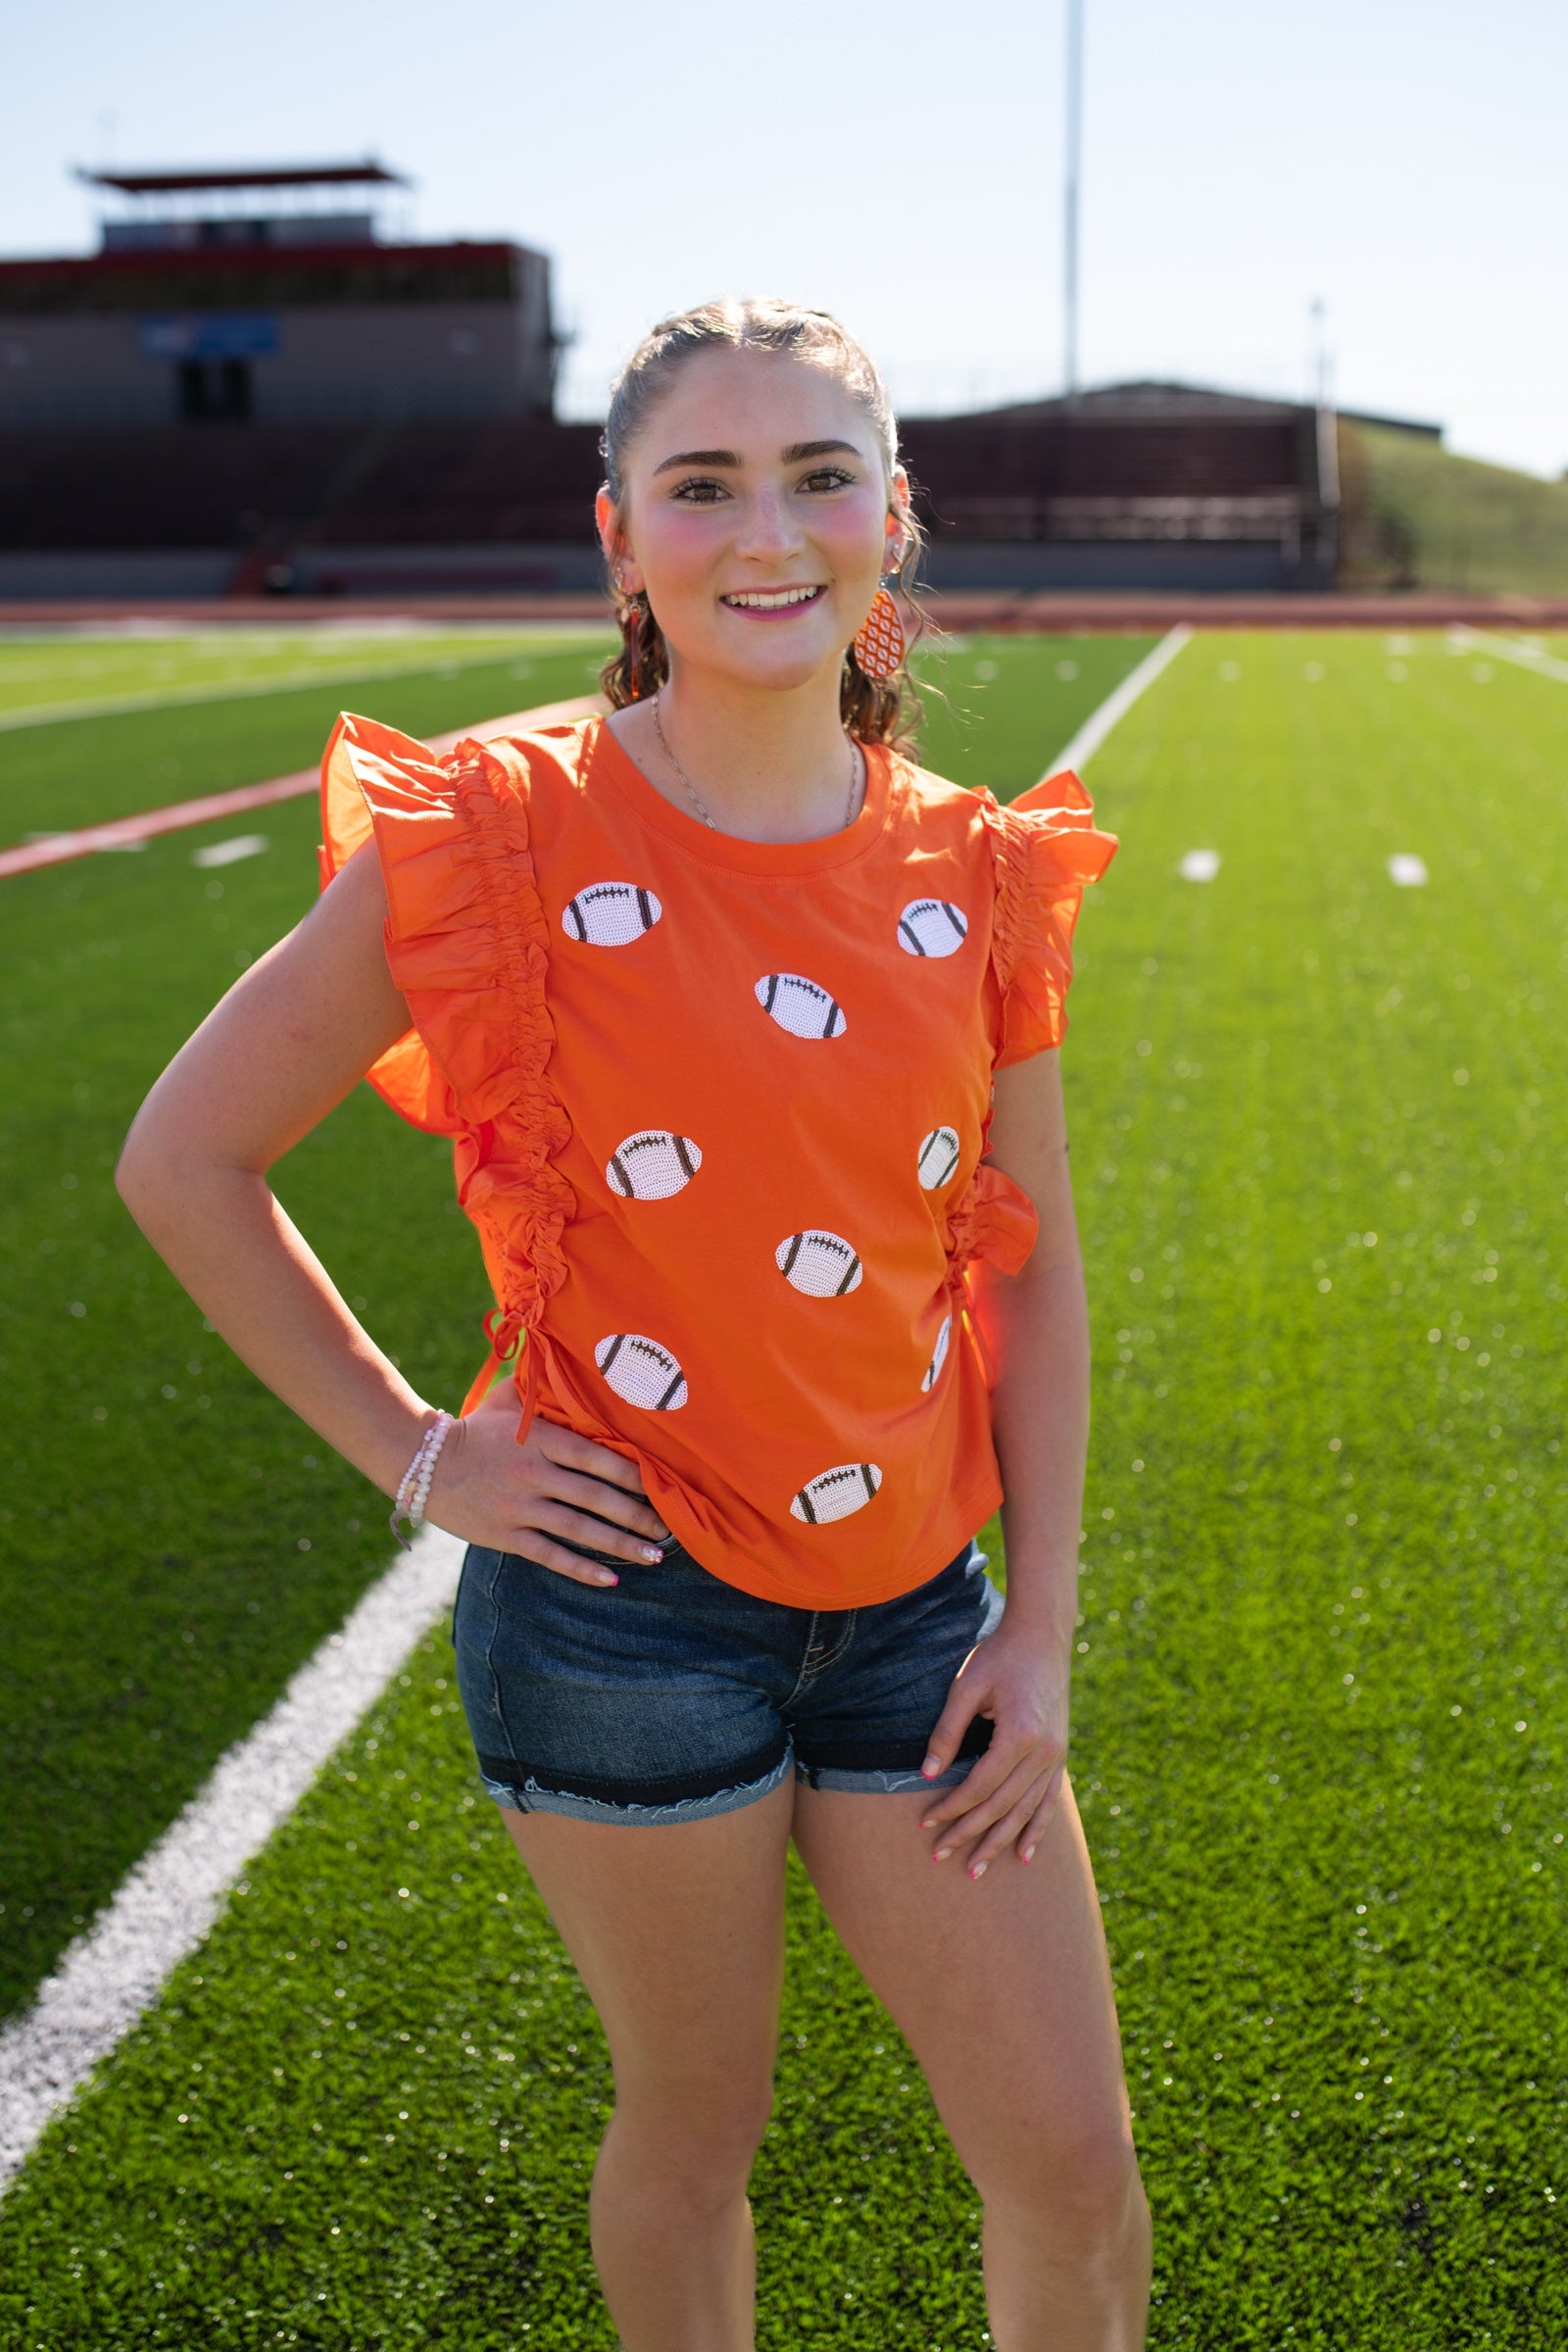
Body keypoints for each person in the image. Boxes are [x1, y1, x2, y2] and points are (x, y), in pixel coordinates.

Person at [117, 297, 1151, 2351]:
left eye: (814, 476)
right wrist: (423, 1451)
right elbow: (183, 1163)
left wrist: (1033, 1627)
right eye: (703, 485)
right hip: (618, 1621)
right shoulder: (493, 833)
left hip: (916, 1621)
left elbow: (1019, 1264)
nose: (764, 531)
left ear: (888, 517)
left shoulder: (975, 870)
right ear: (622, 539)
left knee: (1072, 2174)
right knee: (694, 2131)